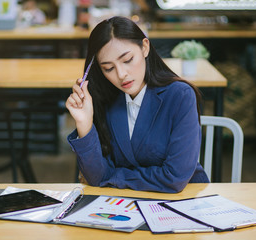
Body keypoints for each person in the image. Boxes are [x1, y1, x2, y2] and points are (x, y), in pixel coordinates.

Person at [65, 16, 209, 193]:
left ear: (145, 47)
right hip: (126, 205)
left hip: (183, 201)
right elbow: (96, 177)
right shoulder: (104, 99)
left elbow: (174, 178)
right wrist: (84, 124)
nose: (121, 74)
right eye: (108, 68)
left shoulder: (180, 96)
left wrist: (114, 176)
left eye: (127, 60)